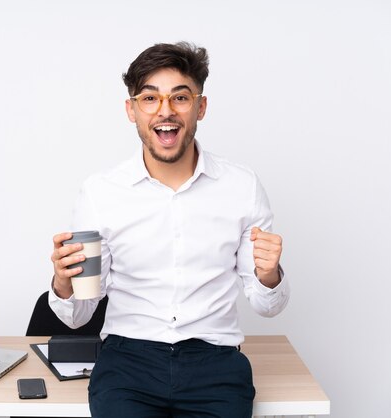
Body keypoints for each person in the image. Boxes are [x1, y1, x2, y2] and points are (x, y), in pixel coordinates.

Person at [48, 42, 290, 418]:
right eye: (150, 98)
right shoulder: (100, 193)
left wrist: (269, 274)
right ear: (132, 110)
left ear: (200, 107)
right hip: (127, 366)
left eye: (180, 97)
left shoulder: (242, 187)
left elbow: (266, 306)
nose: (165, 111)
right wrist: (64, 284)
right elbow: (79, 315)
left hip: (216, 365)